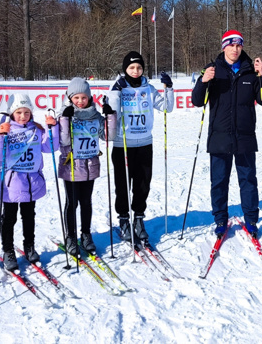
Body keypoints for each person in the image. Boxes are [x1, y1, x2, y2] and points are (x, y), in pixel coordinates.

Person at [191, 30, 262, 238]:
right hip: (219, 137)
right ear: (224, 47)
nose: (235, 49)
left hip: (244, 136)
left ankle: (251, 219)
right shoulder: (213, 69)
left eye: (238, 45)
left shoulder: (250, 71)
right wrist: (203, 80)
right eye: (231, 45)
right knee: (219, 181)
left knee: (248, 180)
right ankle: (220, 219)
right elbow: (198, 101)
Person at [107, 52, 174, 243]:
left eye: (139, 67)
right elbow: (110, 111)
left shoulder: (149, 89)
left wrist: (169, 88)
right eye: (131, 68)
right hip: (123, 144)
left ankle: (138, 219)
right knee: (123, 185)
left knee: (142, 184)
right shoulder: (119, 88)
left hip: (145, 142)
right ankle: (123, 220)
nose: (135, 71)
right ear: (125, 69)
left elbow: (167, 108)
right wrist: (114, 91)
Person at [0, 94, 58, 271]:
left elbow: (50, 147)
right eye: (19, 112)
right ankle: (8, 250)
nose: (23, 116)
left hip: (32, 181)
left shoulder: (37, 129)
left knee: (29, 216)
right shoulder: (6, 129)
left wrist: (52, 128)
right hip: (11, 183)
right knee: (9, 218)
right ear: (12, 113)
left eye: (27, 112)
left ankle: (29, 245)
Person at [57, 78, 106, 255]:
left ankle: (86, 235)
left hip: (90, 164)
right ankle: (70, 237)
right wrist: (65, 118)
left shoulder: (95, 116)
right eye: (76, 97)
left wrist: (110, 116)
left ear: (89, 98)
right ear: (70, 98)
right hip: (71, 165)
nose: (80, 101)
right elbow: (63, 141)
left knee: (86, 202)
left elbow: (107, 136)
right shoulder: (64, 114)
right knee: (72, 203)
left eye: (84, 98)